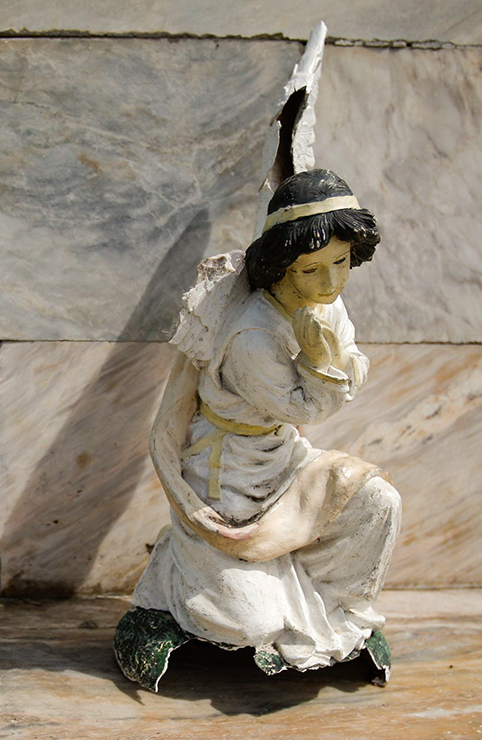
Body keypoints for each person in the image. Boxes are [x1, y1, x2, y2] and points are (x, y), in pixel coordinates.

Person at [116, 169, 400, 689]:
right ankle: (175, 569)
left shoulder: (324, 303)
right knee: (252, 624)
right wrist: (318, 359)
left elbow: (353, 364)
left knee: (380, 502)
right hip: (227, 484)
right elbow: (308, 406)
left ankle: (337, 608)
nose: (331, 282)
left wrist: (331, 357)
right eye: (313, 270)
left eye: (340, 263)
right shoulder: (252, 335)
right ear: (283, 267)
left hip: (284, 460)